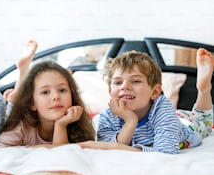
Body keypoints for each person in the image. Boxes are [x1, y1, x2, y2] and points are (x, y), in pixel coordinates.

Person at [78, 48, 213, 154]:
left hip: (184, 124)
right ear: (110, 92)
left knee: (203, 122)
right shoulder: (107, 116)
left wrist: (115, 147)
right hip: (171, 118)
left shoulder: (162, 108)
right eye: (118, 82)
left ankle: (203, 89)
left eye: (135, 81)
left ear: (154, 92)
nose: (124, 86)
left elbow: (166, 152)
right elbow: (111, 146)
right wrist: (130, 121)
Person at [0, 61, 95, 148]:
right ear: (32, 102)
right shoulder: (22, 126)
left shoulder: (80, 124)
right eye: (45, 92)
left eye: (62, 90)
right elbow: (0, 150)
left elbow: (64, 157)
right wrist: (50, 148)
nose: (56, 96)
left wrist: (61, 125)